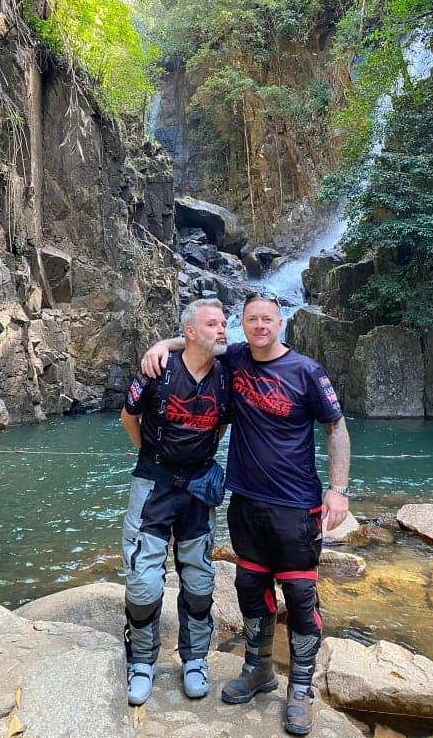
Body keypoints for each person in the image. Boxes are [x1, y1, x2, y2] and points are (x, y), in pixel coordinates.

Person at [141, 293, 350, 736]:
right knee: (250, 588)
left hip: (296, 504)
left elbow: (335, 428)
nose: (260, 326)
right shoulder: (234, 358)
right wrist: (159, 346)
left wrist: (338, 491)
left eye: (267, 319)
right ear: (242, 324)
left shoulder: (307, 371)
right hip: (246, 501)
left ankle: (301, 688)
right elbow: (194, 342)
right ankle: (258, 669)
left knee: (299, 597)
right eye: (252, 319)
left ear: (280, 323)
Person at [120, 298, 230, 706]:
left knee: (199, 581)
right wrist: (152, 456)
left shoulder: (227, 374)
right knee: (144, 581)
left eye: (223, 323)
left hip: (198, 490)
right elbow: (128, 416)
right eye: (213, 324)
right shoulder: (157, 368)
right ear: (189, 332)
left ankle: (195, 659)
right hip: (153, 486)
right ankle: (142, 662)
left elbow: (220, 427)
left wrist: (198, 460)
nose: (222, 329)